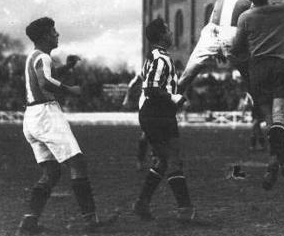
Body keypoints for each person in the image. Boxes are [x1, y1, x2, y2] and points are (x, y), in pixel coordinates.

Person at [18, 17, 116, 234]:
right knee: (77, 162)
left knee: (51, 171)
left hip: (31, 117)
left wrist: (68, 67)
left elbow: (45, 76)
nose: (57, 35)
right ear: (45, 36)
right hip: (46, 114)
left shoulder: (33, 56)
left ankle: (29, 220)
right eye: (54, 32)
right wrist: (71, 90)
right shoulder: (43, 56)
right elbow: (45, 81)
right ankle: (91, 220)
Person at [231, 0, 284, 192]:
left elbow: (236, 48)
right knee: (279, 117)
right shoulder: (281, 8)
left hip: (258, 69)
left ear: (251, 0)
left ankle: (277, 163)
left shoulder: (245, 18)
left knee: (268, 120)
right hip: (280, 65)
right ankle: (281, 163)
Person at [133, 18, 195, 221]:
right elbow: (150, 88)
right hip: (157, 114)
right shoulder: (162, 59)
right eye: (168, 30)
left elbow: (150, 83)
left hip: (156, 114)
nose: (171, 32)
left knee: (162, 160)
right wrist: (174, 97)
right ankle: (185, 210)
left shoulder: (153, 57)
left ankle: (142, 204)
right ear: (161, 35)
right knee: (173, 159)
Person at [177, 0, 258, 95]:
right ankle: (259, 107)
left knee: (186, 76)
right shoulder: (250, 2)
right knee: (249, 77)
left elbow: (213, 21)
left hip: (210, 34)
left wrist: (217, 49)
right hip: (233, 35)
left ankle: (169, 103)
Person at [123, 73, 150, 171]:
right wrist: (127, 98)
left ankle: (146, 160)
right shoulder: (146, 70)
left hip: (159, 104)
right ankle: (141, 160)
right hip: (147, 106)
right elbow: (132, 84)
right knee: (146, 134)